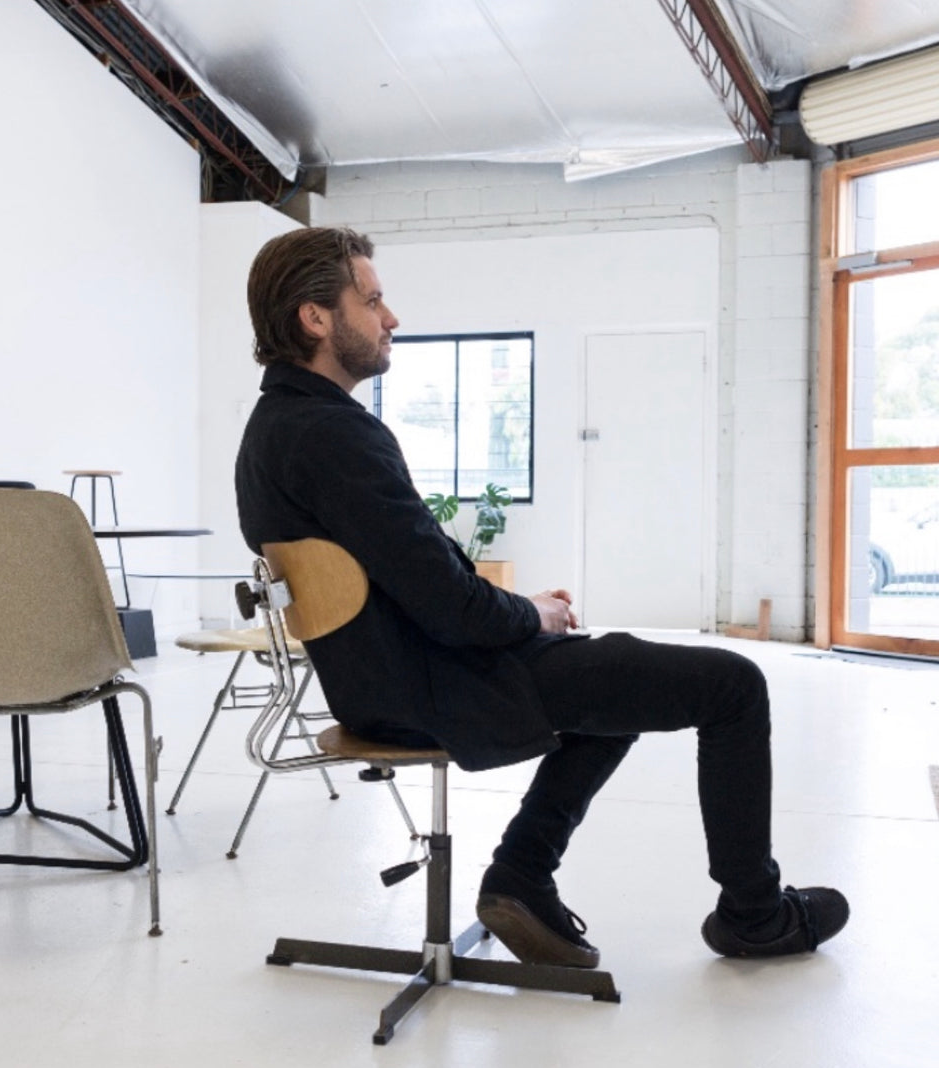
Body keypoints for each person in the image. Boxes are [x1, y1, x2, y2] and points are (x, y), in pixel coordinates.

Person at [235, 226, 849, 968]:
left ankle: (523, 873)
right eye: (371, 299)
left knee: (615, 675)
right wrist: (536, 613)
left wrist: (525, 613)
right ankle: (755, 913)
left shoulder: (272, 432)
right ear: (315, 317)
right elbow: (456, 611)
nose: (390, 316)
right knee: (734, 685)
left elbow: (413, 585)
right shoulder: (334, 436)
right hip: (430, 685)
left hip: (383, 678)